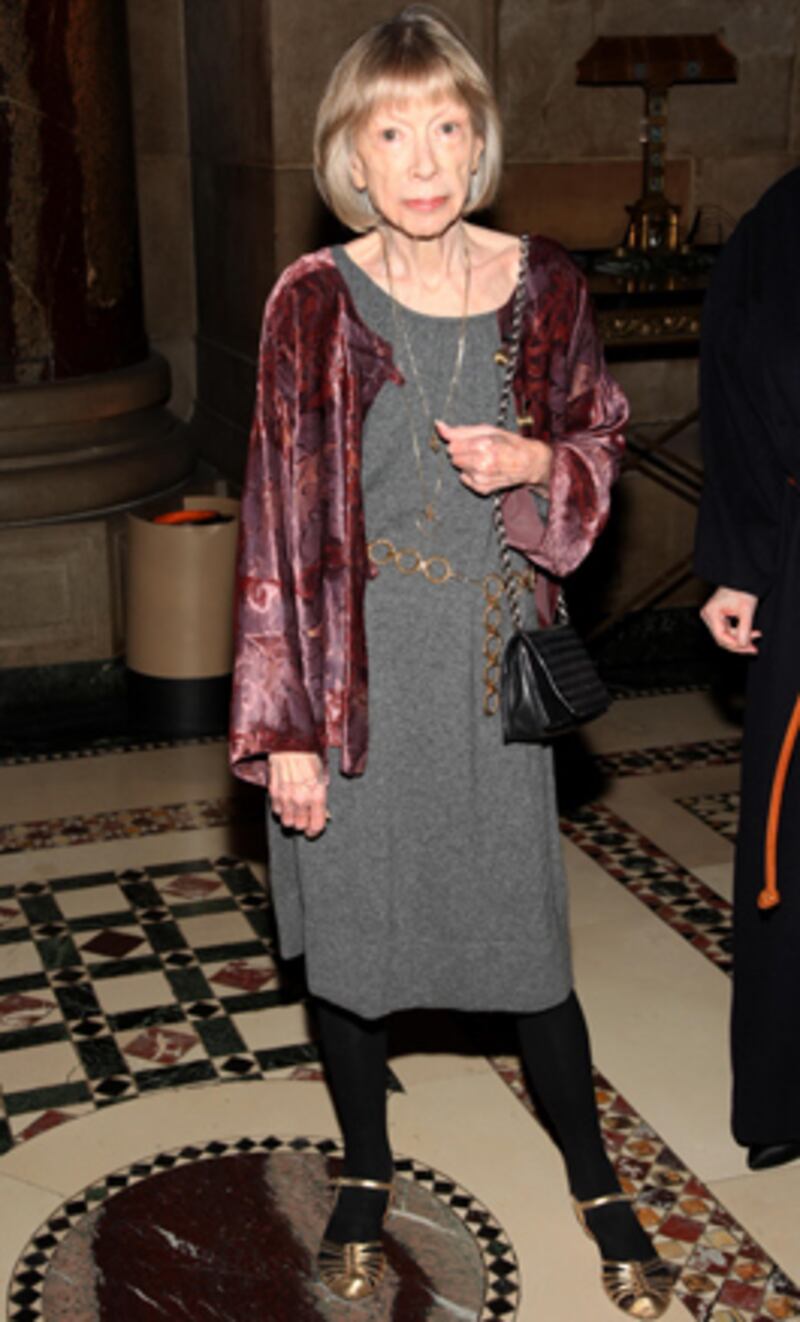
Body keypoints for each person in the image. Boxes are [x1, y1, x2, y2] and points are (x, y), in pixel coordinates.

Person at [230, 7, 672, 1315]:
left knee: (524, 941)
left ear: (478, 143)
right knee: (355, 945)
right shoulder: (312, 300)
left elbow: (599, 435)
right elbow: (274, 518)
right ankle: (365, 1169)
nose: (422, 160)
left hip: (484, 659)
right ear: (351, 157)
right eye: (391, 133)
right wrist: (287, 725)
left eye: (446, 128)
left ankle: (595, 1176)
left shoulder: (547, 285)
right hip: (353, 667)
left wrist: (538, 460)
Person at [696, 165, 800, 1174]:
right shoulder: (782, 222)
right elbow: (734, 382)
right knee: (793, 828)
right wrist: (739, 561)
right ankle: (785, 1085)